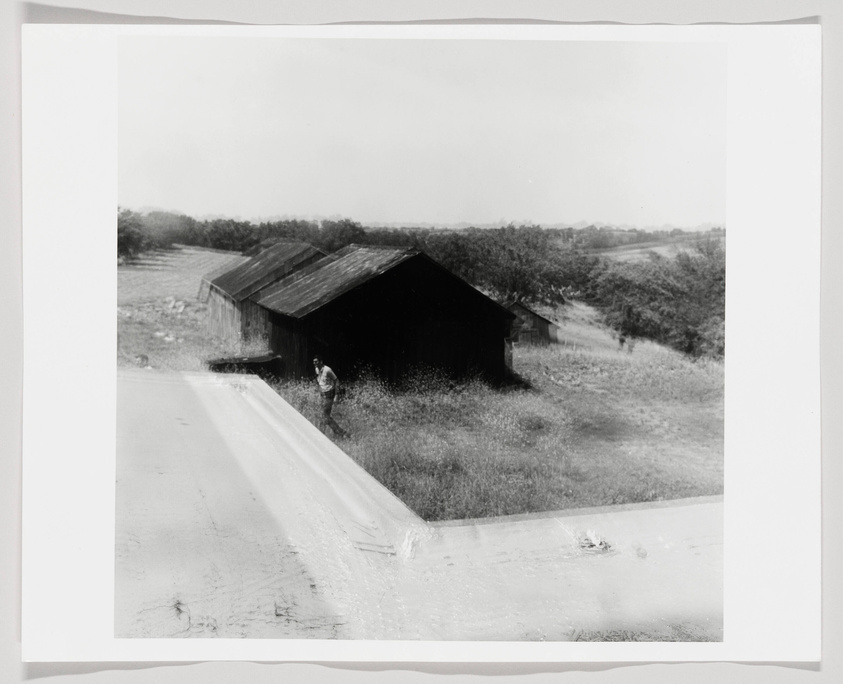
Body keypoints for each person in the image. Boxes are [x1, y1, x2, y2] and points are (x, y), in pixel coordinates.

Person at [313, 356, 348, 438]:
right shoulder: (317, 369)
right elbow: (319, 379)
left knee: (324, 415)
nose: (314, 363)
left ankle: (321, 434)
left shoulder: (328, 370)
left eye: (316, 361)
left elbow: (337, 381)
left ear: (321, 362)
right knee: (325, 416)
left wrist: (336, 395)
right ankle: (341, 433)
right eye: (313, 362)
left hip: (329, 394)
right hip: (323, 394)